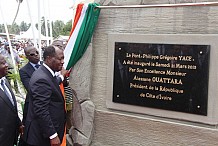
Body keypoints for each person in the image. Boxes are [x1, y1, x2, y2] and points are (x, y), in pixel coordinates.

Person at [23, 45, 66, 146]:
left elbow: (53, 83)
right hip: (42, 137)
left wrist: (61, 77)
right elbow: (41, 110)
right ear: (49, 59)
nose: (63, 62)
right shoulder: (41, 79)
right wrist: (52, 135)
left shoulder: (46, 73)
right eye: (60, 59)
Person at [0, 54, 24, 146]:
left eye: (5, 62)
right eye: (2, 63)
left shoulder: (5, 81)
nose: (7, 65)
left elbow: (11, 107)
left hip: (11, 136)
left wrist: (18, 123)